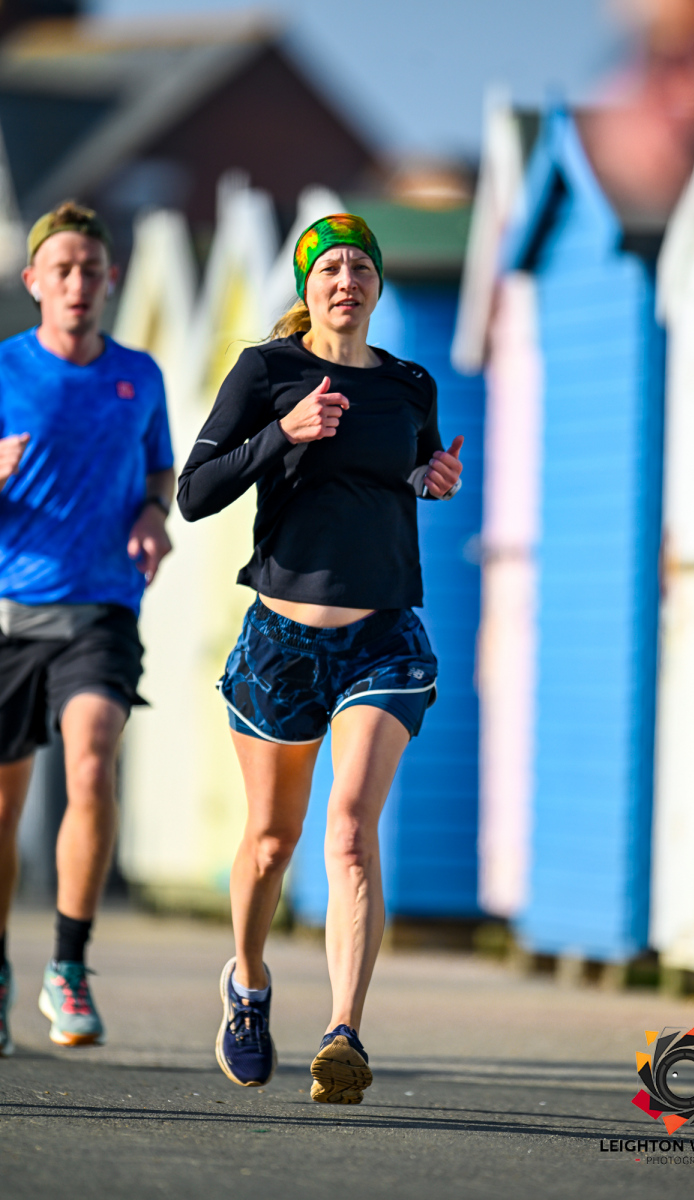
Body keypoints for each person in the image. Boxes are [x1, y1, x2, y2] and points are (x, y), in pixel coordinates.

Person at [178, 213, 463, 1103]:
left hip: (382, 638)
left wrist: (431, 481)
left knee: (348, 831)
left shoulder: (411, 385)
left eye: (360, 267)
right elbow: (194, 493)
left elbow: (403, 474)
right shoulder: (269, 372)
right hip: (282, 644)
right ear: (307, 286)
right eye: (329, 266)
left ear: (378, 285)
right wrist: (284, 433)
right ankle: (248, 985)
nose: (346, 279)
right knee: (272, 841)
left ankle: (344, 1033)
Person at [0, 202, 174, 1054]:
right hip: (11, 612)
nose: (78, 284)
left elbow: (160, 470)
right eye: (62, 270)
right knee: (4, 807)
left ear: (112, 280)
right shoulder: (4, 369)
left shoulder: (140, 375)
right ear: (34, 280)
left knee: (94, 756)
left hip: (104, 606)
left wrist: (152, 512)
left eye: (91, 271)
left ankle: (68, 965)